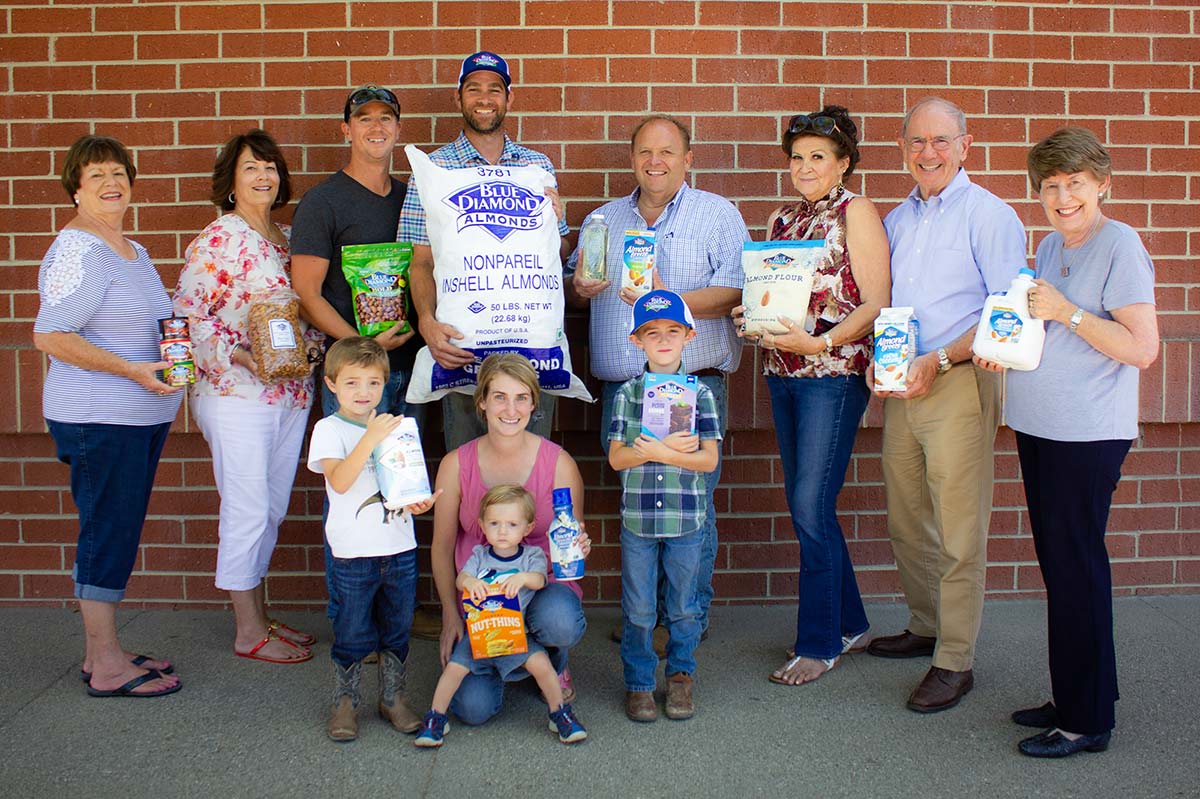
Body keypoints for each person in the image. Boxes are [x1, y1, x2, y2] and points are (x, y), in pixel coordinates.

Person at [975, 128, 1158, 758]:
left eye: (1074, 183)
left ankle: (1086, 723)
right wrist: (1006, 349)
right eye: (1050, 186)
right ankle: (1075, 695)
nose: (1062, 196)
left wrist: (1068, 314)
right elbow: (1041, 327)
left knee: (1078, 569)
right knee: (1061, 569)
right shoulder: (1050, 246)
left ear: (1101, 183)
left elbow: (1142, 347)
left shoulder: (1121, 245)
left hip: (1087, 433)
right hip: (1041, 427)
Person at [866, 97, 1026, 713]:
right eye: (915, 142)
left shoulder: (990, 215)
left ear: (964, 144)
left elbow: (1006, 311)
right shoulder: (899, 219)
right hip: (902, 382)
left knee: (959, 525)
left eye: (940, 140)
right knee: (908, 515)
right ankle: (926, 623)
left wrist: (943, 359)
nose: (927, 153)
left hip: (957, 378)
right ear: (903, 148)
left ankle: (954, 659)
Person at [565, 114, 748, 646]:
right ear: (632, 159)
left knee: (690, 508)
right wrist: (581, 284)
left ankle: (684, 622)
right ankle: (646, 622)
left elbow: (737, 291)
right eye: (645, 151)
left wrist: (667, 302)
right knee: (640, 508)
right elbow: (580, 286)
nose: (655, 161)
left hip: (692, 385)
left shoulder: (717, 215)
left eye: (667, 152)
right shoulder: (604, 219)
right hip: (626, 390)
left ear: (688, 159)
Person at [730, 106, 890, 685]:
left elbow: (874, 303)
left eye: (818, 156)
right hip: (782, 372)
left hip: (832, 375)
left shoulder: (858, 212)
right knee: (810, 503)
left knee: (809, 505)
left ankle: (819, 643)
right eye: (797, 157)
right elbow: (774, 294)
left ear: (844, 162)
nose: (805, 166)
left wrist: (818, 344)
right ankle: (849, 621)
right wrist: (750, 313)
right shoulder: (782, 219)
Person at [32, 135, 182, 698]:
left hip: (135, 414)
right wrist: (132, 371)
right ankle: (107, 664)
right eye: (95, 175)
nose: (110, 182)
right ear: (75, 189)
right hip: (100, 415)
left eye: (118, 172)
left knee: (117, 528)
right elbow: (50, 335)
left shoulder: (130, 249)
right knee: (107, 531)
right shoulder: (81, 250)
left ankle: (105, 652)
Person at [174, 129, 319, 665]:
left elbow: (299, 315)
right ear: (230, 182)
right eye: (251, 168)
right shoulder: (220, 238)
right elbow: (189, 315)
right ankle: (246, 629)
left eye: (270, 168)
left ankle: (261, 608)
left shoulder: (282, 238)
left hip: (288, 393)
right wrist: (240, 356)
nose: (264, 177)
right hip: (237, 392)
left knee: (272, 508)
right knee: (248, 507)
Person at [290, 83, 430, 634]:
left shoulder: (412, 198)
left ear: (398, 130)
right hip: (352, 379)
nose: (376, 127)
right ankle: (353, 623)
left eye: (386, 118)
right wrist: (363, 353)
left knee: (403, 487)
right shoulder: (323, 201)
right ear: (345, 129)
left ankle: (399, 613)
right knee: (350, 493)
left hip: (411, 368)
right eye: (363, 118)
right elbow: (306, 289)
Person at [399, 51, 569, 452]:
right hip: (463, 348)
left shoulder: (537, 165)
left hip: (532, 353)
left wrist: (555, 220)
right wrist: (426, 321)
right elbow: (419, 261)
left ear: (509, 98)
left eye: (495, 89)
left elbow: (557, 253)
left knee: (532, 473)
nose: (484, 98)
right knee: (467, 467)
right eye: (473, 89)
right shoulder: (433, 170)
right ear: (458, 99)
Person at [429, 353, 589, 724]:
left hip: (540, 593)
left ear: (534, 404)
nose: (510, 409)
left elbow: (572, 543)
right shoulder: (456, 464)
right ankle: (513, 662)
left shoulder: (559, 463)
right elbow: (440, 547)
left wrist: (580, 546)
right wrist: (450, 616)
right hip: (483, 602)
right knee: (471, 710)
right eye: (499, 397)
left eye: (521, 397)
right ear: (482, 402)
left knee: (560, 620)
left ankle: (551, 661)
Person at [307, 336, 440, 742]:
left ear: (385, 384)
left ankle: (392, 696)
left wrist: (418, 503)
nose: (363, 393)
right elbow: (343, 481)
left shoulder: (396, 429)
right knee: (352, 631)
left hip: (398, 548)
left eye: (373, 383)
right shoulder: (329, 430)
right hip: (353, 553)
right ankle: (346, 701)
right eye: (351, 383)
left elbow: (403, 485)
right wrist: (369, 436)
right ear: (331, 384)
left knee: (397, 627)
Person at [609, 290, 721, 722]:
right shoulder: (627, 395)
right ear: (637, 340)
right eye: (652, 333)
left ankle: (680, 679)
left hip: (686, 517)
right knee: (638, 608)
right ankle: (639, 684)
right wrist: (660, 449)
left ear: (688, 336)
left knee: (683, 606)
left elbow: (708, 460)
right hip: (638, 518)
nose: (663, 340)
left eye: (673, 331)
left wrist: (662, 453)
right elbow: (617, 458)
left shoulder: (701, 396)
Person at [415, 484, 587, 747]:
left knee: (541, 665)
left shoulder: (531, 555)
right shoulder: (480, 556)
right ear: (482, 526)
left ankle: (559, 713)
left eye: (512, 524)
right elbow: (462, 578)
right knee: (453, 669)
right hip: (482, 632)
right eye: (494, 523)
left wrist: (522, 579)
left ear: (527, 528)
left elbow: (541, 580)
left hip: (515, 633)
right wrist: (471, 583)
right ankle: (435, 717)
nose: (503, 531)